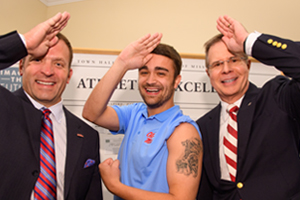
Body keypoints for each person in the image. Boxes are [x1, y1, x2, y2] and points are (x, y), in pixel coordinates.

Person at [82, 33, 203, 200]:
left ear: (176, 81)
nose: (150, 80)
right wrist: (122, 63)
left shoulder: (182, 131)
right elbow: (91, 113)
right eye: (144, 72)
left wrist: (115, 186)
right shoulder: (134, 114)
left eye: (161, 74)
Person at [0, 12, 103, 200]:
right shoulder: (3, 108)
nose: (47, 71)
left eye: (58, 64)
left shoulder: (88, 136)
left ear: (69, 75)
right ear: (21, 67)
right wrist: (24, 42)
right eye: (37, 59)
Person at [196, 15, 300, 200]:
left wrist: (248, 42)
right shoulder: (202, 126)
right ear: (208, 73)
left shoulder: (277, 96)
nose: (226, 69)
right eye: (217, 64)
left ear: (248, 64)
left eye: (234, 59)